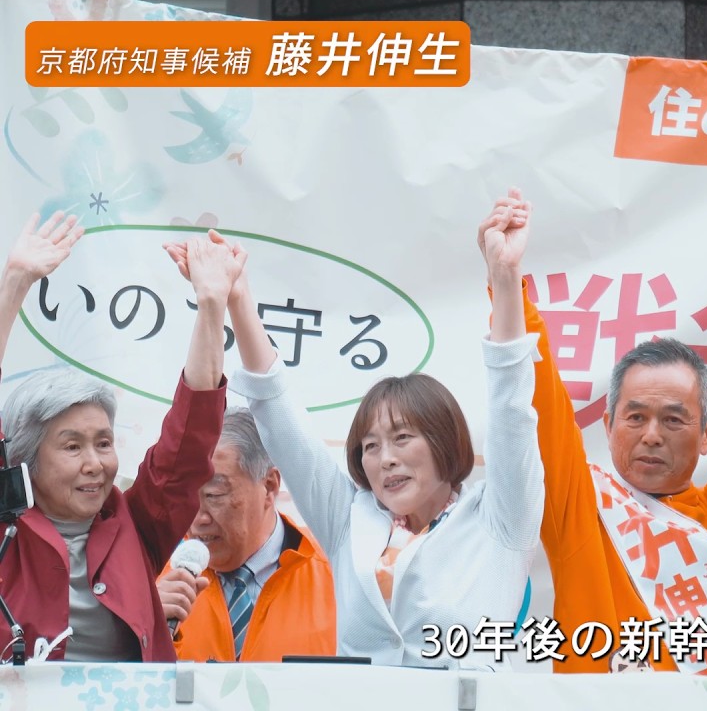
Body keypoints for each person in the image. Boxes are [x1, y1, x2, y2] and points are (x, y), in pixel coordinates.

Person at [167, 209, 544, 668]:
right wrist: (238, 297)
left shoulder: (500, 516)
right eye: (370, 446)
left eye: (402, 438)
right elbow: (280, 417)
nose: (385, 459)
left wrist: (505, 278)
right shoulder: (350, 518)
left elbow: (511, 411)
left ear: (444, 442)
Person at [486, 190, 707, 675]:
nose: (652, 435)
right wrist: (506, 281)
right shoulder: (580, 508)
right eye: (635, 417)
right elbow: (537, 400)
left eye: (674, 420)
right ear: (608, 425)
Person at [0, 214, 232, 662]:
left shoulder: (137, 523)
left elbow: (191, 436)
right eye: (72, 446)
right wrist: (15, 283)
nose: (95, 463)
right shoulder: (7, 526)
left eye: (104, 443)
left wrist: (211, 304)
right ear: (26, 461)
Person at [156, 407, 337, 662]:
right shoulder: (158, 580)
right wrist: (149, 630)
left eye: (214, 495)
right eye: (185, 497)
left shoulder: (336, 574)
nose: (197, 518)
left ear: (269, 486)